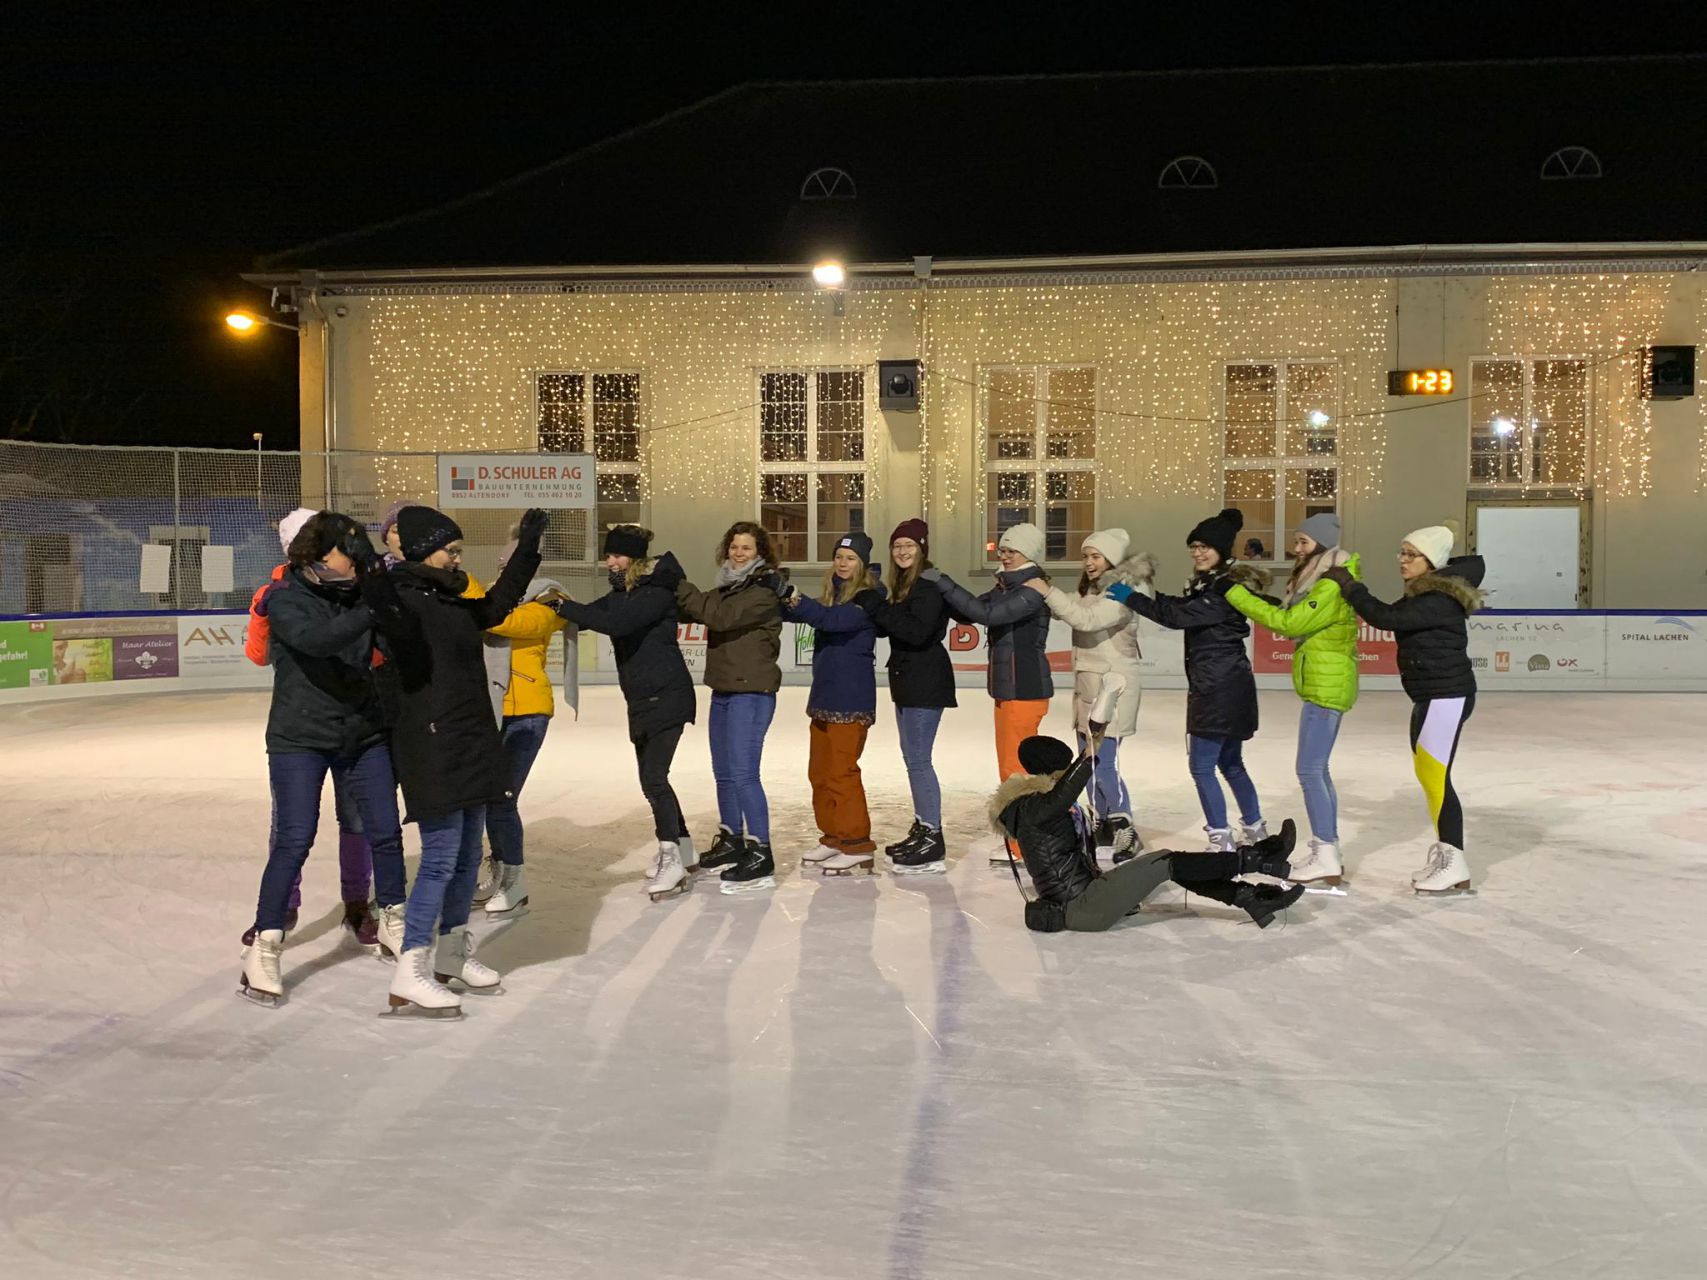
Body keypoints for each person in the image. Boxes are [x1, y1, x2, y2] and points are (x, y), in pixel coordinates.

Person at [357, 503, 549, 1017]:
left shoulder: (450, 597)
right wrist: (373, 580)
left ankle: (450, 953)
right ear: (424, 550)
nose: (457, 558)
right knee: (441, 857)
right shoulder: (399, 599)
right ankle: (412, 967)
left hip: (472, 738)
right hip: (431, 743)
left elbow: (499, 606)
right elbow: (393, 627)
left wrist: (528, 549)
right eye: (451, 550)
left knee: (466, 855)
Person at [237, 511, 410, 1007]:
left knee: (384, 830)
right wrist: (374, 605)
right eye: (345, 552)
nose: (354, 561)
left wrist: (391, 604)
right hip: (300, 739)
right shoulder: (285, 597)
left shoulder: (357, 595)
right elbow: (317, 641)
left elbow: (390, 648)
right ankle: (266, 942)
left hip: (362, 732)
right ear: (315, 557)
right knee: (294, 838)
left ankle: (395, 919)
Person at [991, 733, 1305, 932]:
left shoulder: (1035, 805)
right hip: (1081, 908)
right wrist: (1090, 753)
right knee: (1167, 862)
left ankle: (1251, 898)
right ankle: (1259, 859)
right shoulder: (1031, 808)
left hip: (1088, 895)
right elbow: (1062, 796)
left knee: (1168, 866)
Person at [241, 506, 377, 949]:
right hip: (302, 725)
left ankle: (354, 902)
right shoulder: (277, 595)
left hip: (353, 721)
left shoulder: (357, 588)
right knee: (294, 827)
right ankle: (282, 907)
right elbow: (259, 654)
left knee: (354, 817)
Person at [1324, 524, 1484, 896]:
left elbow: (1386, 618)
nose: (1403, 560)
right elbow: (1390, 613)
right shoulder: (1424, 592)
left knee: (1435, 777)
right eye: (1402, 552)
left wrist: (1351, 587)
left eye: (1411, 554)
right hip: (1431, 696)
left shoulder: (1438, 599)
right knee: (1430, 776)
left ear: (1431, 561)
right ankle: (1447, 855)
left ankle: (1454, 862)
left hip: (1445, 696)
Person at [1106, 508, 1271, 853]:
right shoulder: (1209, 585)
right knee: (1231, 763)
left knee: (1202, 766)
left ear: (1221, 550)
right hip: (1229, 684)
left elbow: (1178, 616)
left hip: (1217, 688)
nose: (1197, 553)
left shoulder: (1225, 588)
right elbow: (1179, 605)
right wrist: (1147, 592)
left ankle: (1221, 839)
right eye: (1194, 546)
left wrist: (1132, 598)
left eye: (1205, 547)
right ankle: (1255, 828)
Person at [549, 525, 698, 901]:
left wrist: (563, 606)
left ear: (634, 558)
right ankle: (682, 848)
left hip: (667, 697)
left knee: (654, 779)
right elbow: (589, 615)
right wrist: (548, 604)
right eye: (607, 555)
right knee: (653, 780)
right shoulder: (623, 594)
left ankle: (671, 858)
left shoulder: (656, 592)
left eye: (616, 555)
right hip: (643, 700)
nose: (609, 562)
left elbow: (617, 623)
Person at [1222, 511, 1359, 890]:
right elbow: (1289, 614)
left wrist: (1235, 594)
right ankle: (1328, 849)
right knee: (1318, 770)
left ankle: (1325, 850)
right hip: (1323, 682)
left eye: (1303, 542)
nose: (1296, 549)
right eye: (1296, 541)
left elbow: (1290, 623)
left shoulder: (1330, 583)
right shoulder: (1320, 579)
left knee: (1310, 771)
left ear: (1321, 544)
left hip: (1327, 684)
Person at [1026, 528, 1156, 860]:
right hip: (1087, 688)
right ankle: (1102, 820)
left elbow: (1086, 620)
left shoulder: (1125, 592)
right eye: (1085, 556)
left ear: (1112, 559)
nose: (1088, 562)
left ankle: (1124, 825)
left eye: (1096, 556)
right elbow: (1072, 607)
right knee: (1086, 762)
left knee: (1104, 762)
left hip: (1113, 689)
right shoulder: (1093, 590)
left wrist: (1048, 592)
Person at [675, 521, 789, 894]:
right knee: (723, 773)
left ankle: (760, 850)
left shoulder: (763, 591)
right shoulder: (729, 588)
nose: (738, 554)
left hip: (751, 693)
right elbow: (699, 608)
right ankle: (732, 837)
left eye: (746, 548)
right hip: (723, 689)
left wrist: (679, 584)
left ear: (760, 553)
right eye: (734, 547)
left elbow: (719, 616)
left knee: (744, 775)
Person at [930, 521, 1054, 864]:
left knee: (1016, 771)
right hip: (1009, 689)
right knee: (1010, 768)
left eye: (1012, 551)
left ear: (1028, 554)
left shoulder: (1031, 590)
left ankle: (1023, 845)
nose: (1004, 555)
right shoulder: (1006, 586)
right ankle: (1020, 839)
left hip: (1024, 689)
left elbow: (987, 614)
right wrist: (935, 593)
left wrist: (944, 582)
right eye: (1002, 550)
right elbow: (966, 610)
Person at [477, 529, 578, 917]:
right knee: (486, 798)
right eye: (503, 565)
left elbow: (516, 624)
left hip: (527, 712)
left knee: (502, 798)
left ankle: (514, 880)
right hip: (490, 707)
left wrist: (473, 608)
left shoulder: (550, 598)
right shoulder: (490, 596)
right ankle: (499, 865)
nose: (507, 571)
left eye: (513, 564)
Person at [786, 531, 885, 875]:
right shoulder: (834, 595)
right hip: (824, 697)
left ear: (862, 564)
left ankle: (857, 843)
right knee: (820, 772)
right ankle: (832, 836)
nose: (843, 563)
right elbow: (808, 613)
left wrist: (792, 596)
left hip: (851, 698)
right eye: (839, 557)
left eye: (851, 558)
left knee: (842, 772)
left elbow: (831, 621)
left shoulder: (869, 598)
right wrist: (775, 596)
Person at [860, 518, 955, 873]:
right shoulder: (904, 585)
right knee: (912, 758)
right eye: (897, 546)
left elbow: (916, 632)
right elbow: (889, 628)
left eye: (909, 546)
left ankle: (932, 835)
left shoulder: (927, 587)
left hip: (925, 681)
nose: (902, 551)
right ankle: (923, 826)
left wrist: (876, 606)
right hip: (908, 680)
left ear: (921, 549)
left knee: (918, 760)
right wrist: (878, 602)